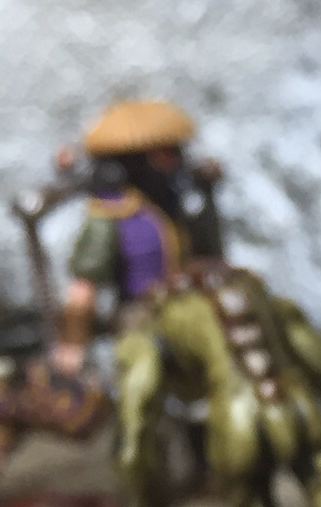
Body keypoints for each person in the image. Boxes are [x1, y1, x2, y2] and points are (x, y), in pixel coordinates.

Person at [50, 100, 222, 375]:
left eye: (175, 150)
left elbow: (208, 255)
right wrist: (73, 344)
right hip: (139, 316)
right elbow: (84, 290)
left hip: (186, 304)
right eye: (164, 153)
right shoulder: (110, 214)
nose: (175, 159)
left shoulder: (174, 202)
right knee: (144, 370)